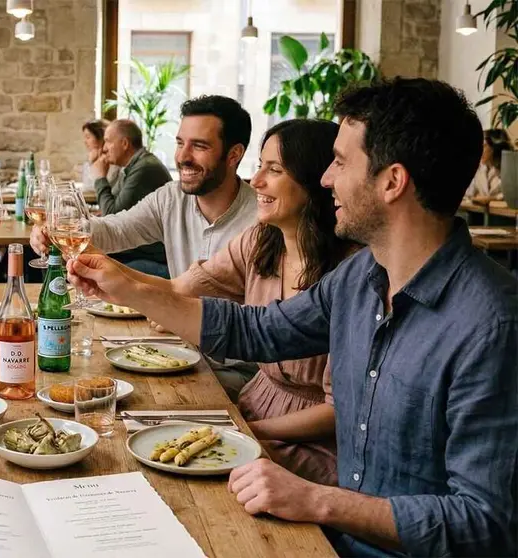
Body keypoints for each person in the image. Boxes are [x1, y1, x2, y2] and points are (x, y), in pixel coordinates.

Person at [66, 78, 517, 557]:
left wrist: (318, 500)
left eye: (341, 163)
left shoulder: (491, 325)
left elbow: (485, 524)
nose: (326, 180)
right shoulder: (363, 275)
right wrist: (128, 287)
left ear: (393, 181)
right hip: (331, 536)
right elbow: (258, 330)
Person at [117, 118, 355, 485]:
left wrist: (245, 430)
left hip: (313, 442)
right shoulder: (261, 240)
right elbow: (182, 289)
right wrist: (109, 274)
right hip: (252, 405)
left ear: (315, 181)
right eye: (259, 165)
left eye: (273, 169)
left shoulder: (352, 273)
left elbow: (339, 413)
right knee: (138, 433)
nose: (256, 181)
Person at [32, 95, 259, 397]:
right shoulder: (171, 197)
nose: (183, 156)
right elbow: (115, 229)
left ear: (234, 155)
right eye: (180, 143)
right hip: (180, 352)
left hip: (234, 372)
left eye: (199, 146)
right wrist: (61, 229)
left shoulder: (261, 218)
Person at [89, 119, 172, 278]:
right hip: (137, 251)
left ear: (125, 143)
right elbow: (114, 209)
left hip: (155, 259)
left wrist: (100, 178)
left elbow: (111, 213)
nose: (104, 149)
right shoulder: (132, 166)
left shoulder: (145, 168)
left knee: (94, 265)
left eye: (107, 142)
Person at [466, 128, 511, 200]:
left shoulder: (510, 170)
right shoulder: (478, 169)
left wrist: (493, 198)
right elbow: (468, 193)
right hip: (480, 211)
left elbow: (512, 195)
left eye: (484, 146)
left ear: (494, 148)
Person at [79, 119, 120, 192]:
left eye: (88, 137)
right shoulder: (96, 156)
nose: (85, 142)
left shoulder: (111, 160)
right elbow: (87, 185)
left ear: (101, 138)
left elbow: (91, 187)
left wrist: (91, 163)